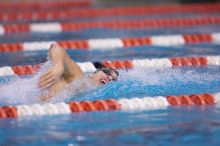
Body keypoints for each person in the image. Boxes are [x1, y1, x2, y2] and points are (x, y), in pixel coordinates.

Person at [38, 44, 119, 101]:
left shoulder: (89, 95)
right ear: (94, 72)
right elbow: (55, 47)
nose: (109, 78)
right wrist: (59, 65)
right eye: (107, 73)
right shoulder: (78, 76)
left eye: (113, 80)